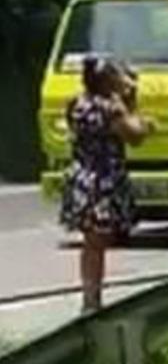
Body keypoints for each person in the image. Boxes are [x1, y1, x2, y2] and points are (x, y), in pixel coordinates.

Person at [60, 56, 153, 312]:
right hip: (104, 180)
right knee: (97, 242)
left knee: (92, 241)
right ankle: (92, 300)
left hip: (82, 177)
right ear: (108, 80)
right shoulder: (111, 108)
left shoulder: (76, 104)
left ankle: (91, 298)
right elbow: (134, 136)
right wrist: (135, 109)